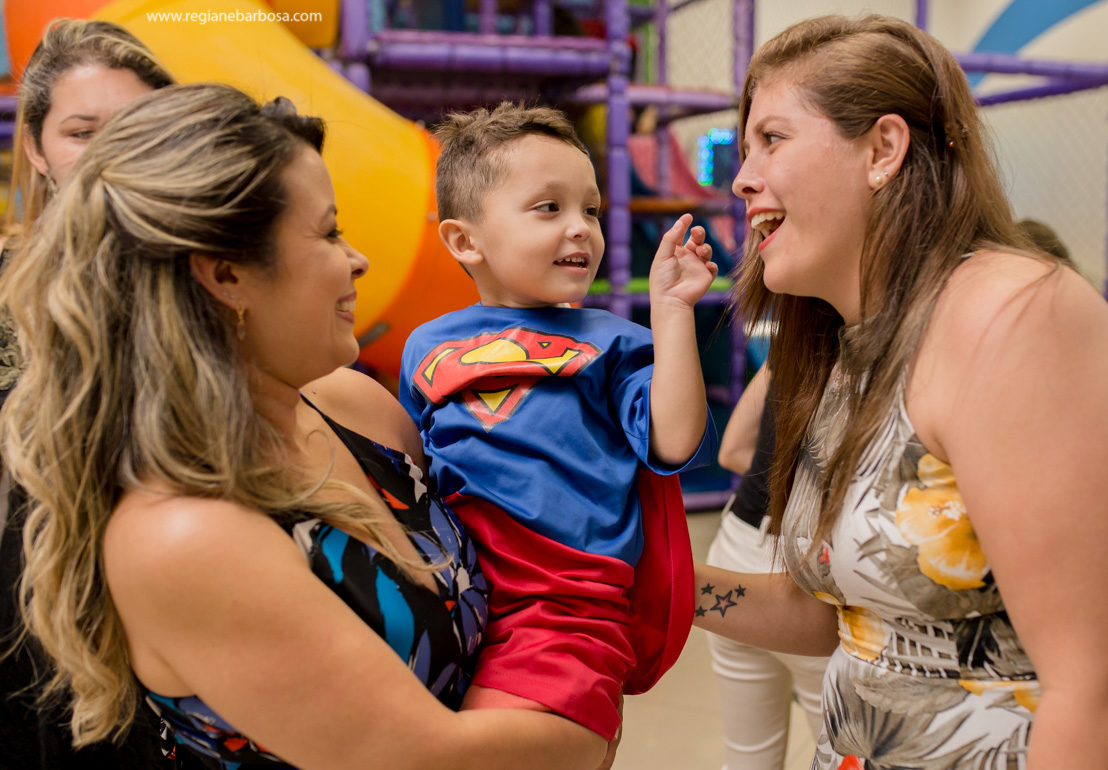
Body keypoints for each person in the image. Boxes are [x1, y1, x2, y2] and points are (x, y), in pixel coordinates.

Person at [0, 83, 611, 770]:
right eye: (327, 233)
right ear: (227, 274)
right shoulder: (184, 535)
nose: (358, 260)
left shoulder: (355, 407)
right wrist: (594, 721)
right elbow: (430, 758)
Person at [692, 14, 1108, 770]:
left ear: (882, 149)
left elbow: (1090, 685)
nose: (742, 177)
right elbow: (840, 620)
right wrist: (649, 581)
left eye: (772, 140)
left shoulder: (1013, 313)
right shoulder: (850, 346)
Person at [399, 102, 718, 742]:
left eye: (591, 210)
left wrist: (673, 313)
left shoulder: (615, 343)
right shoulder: (426, 345)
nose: (581, 228)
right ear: (465, 240)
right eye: (550, 208)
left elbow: (674, 439)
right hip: (455, 597)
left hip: (564, 611)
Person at [0, 18, 174, 770]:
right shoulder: (10, 293)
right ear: (37, 148)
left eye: (136, 128)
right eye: (82, 131)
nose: (111, 155)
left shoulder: (207, 283)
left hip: (168, 629)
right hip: (26, 632)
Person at [705, 361, 828, 770]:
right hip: (813, 569)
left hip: (734, 548)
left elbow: (733, 451)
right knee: (843, 752)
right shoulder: (885, 350)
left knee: (748, 758)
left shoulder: (793, 342)